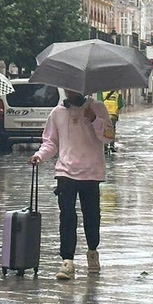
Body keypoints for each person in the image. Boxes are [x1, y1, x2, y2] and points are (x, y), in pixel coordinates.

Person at [31, 89, 109, 280]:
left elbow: (108, 136)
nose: (70, 91)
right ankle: (67, 260)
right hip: (65, 171)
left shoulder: (98, 108)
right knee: (67, 216)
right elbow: (51, 142)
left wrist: (94, 119)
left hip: (91, 171)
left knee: (91, 215)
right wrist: (39, 155)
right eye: (67, 87)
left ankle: (92, 251)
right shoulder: (57, 113)